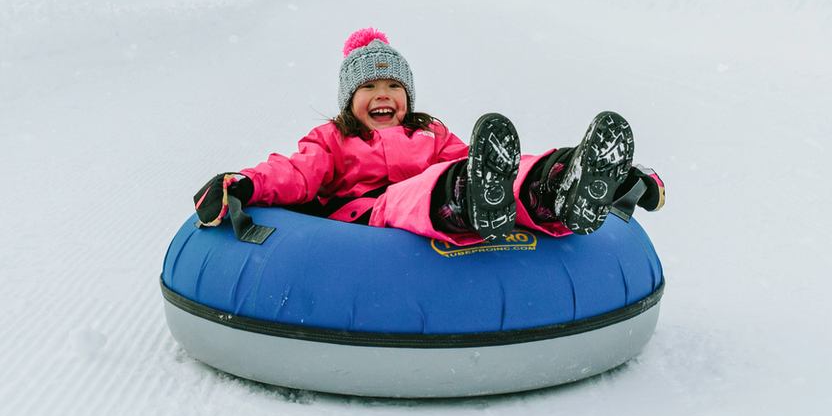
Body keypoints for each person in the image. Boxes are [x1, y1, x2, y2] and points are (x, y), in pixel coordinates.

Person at [193, 29, 664, 247]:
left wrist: (516, 172)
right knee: (419, 191)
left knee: (507, 169)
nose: (383, 96)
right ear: (347, 100)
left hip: (450, 180)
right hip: (374, 213)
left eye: (394, 86)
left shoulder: (430, 132)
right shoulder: (332, 138)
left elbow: (480, 161)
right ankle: (468, 200)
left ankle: (567, 183)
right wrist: (247, 183)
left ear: (409, 95)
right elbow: (295, 173)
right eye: (369, 88)